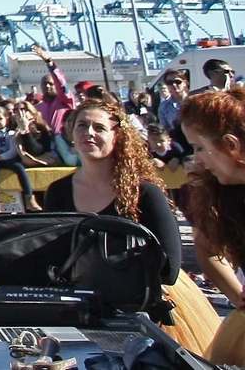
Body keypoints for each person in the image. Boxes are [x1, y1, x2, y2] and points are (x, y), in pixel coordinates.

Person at [46, 91, 218, 354]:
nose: (89, 133)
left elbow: (170, 267)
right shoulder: (57, 192)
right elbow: (52, 254)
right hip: (82, 307)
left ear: (117, 136)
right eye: (82, 125)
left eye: (99, 127)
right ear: (71, 133)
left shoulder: (145, 192)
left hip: (147, 305)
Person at [179, 90, 245, 362]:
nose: (197, 160)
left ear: (231, 144)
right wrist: (237, 296)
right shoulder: (219, 194)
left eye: (199, 148)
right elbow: (206, 249)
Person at [0, 105, 41, 211]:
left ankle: (29, 198)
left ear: (6, 118)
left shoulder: (11, 134)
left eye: (0, 118)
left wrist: (1, 157)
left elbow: (13, 151)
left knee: (19, 168)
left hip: (7, 159)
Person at [32, 45, 79, 166]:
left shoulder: (66, 100)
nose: (47, 86)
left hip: (66, 143)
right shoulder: (37, 108)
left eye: (50, 84)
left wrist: (49, 62)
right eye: (44, 84)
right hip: (47, 146)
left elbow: (61, 84)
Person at [160, 69, 195, 156]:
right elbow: (165, 130)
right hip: (179, 145)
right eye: (169, 83)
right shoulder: (164, 106)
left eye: (177, 82)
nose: (174, 85)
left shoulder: (195, 101)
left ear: (185, 83)